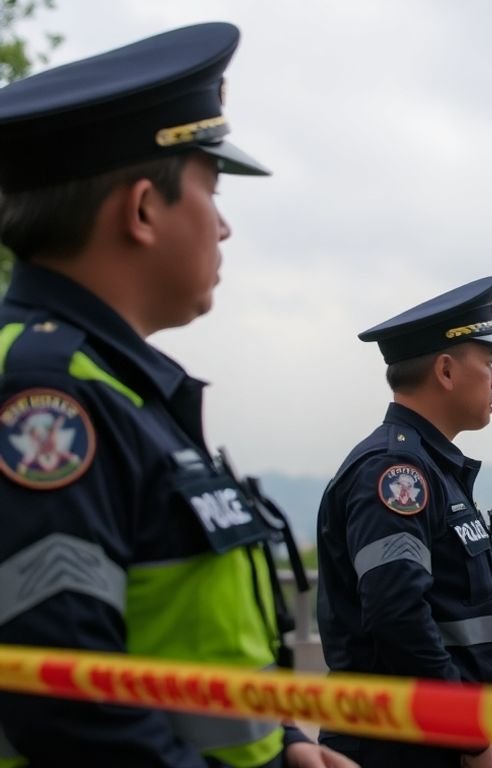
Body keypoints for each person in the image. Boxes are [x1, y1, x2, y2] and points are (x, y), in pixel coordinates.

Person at [0, 22, 354, 767]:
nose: (223, 226)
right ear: (141, 210)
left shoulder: (121, 386)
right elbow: (71, 708)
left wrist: (282, 744)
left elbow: (180, 639)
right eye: (212, 190)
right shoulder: (45, 396)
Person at [316, 276, 492, 767]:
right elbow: (397, 617)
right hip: (397, 748)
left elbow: (439, 603)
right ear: (445, 370)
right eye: (489, 364)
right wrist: (471, 741)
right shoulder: (397, 475)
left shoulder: (435, 469)